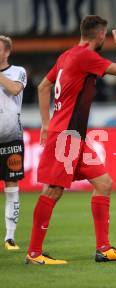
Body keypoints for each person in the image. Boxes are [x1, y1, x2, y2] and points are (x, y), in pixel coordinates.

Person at [25, 15, 116, 265]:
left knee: (104, 183)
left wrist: (45, 123)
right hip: (66, 136)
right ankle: (34, 253)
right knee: (53, 190)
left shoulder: (67, 56)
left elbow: (43, 86)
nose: (105, 39)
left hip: (72, 136)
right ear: (99, 35)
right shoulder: (86, 57)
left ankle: (103, 249)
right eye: (105, 35)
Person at [0, 35, 27, 251]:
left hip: (11, 138)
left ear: (7, 52)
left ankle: (9, 237)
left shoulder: (18, 71)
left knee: (11, 186)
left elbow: (15, 89)